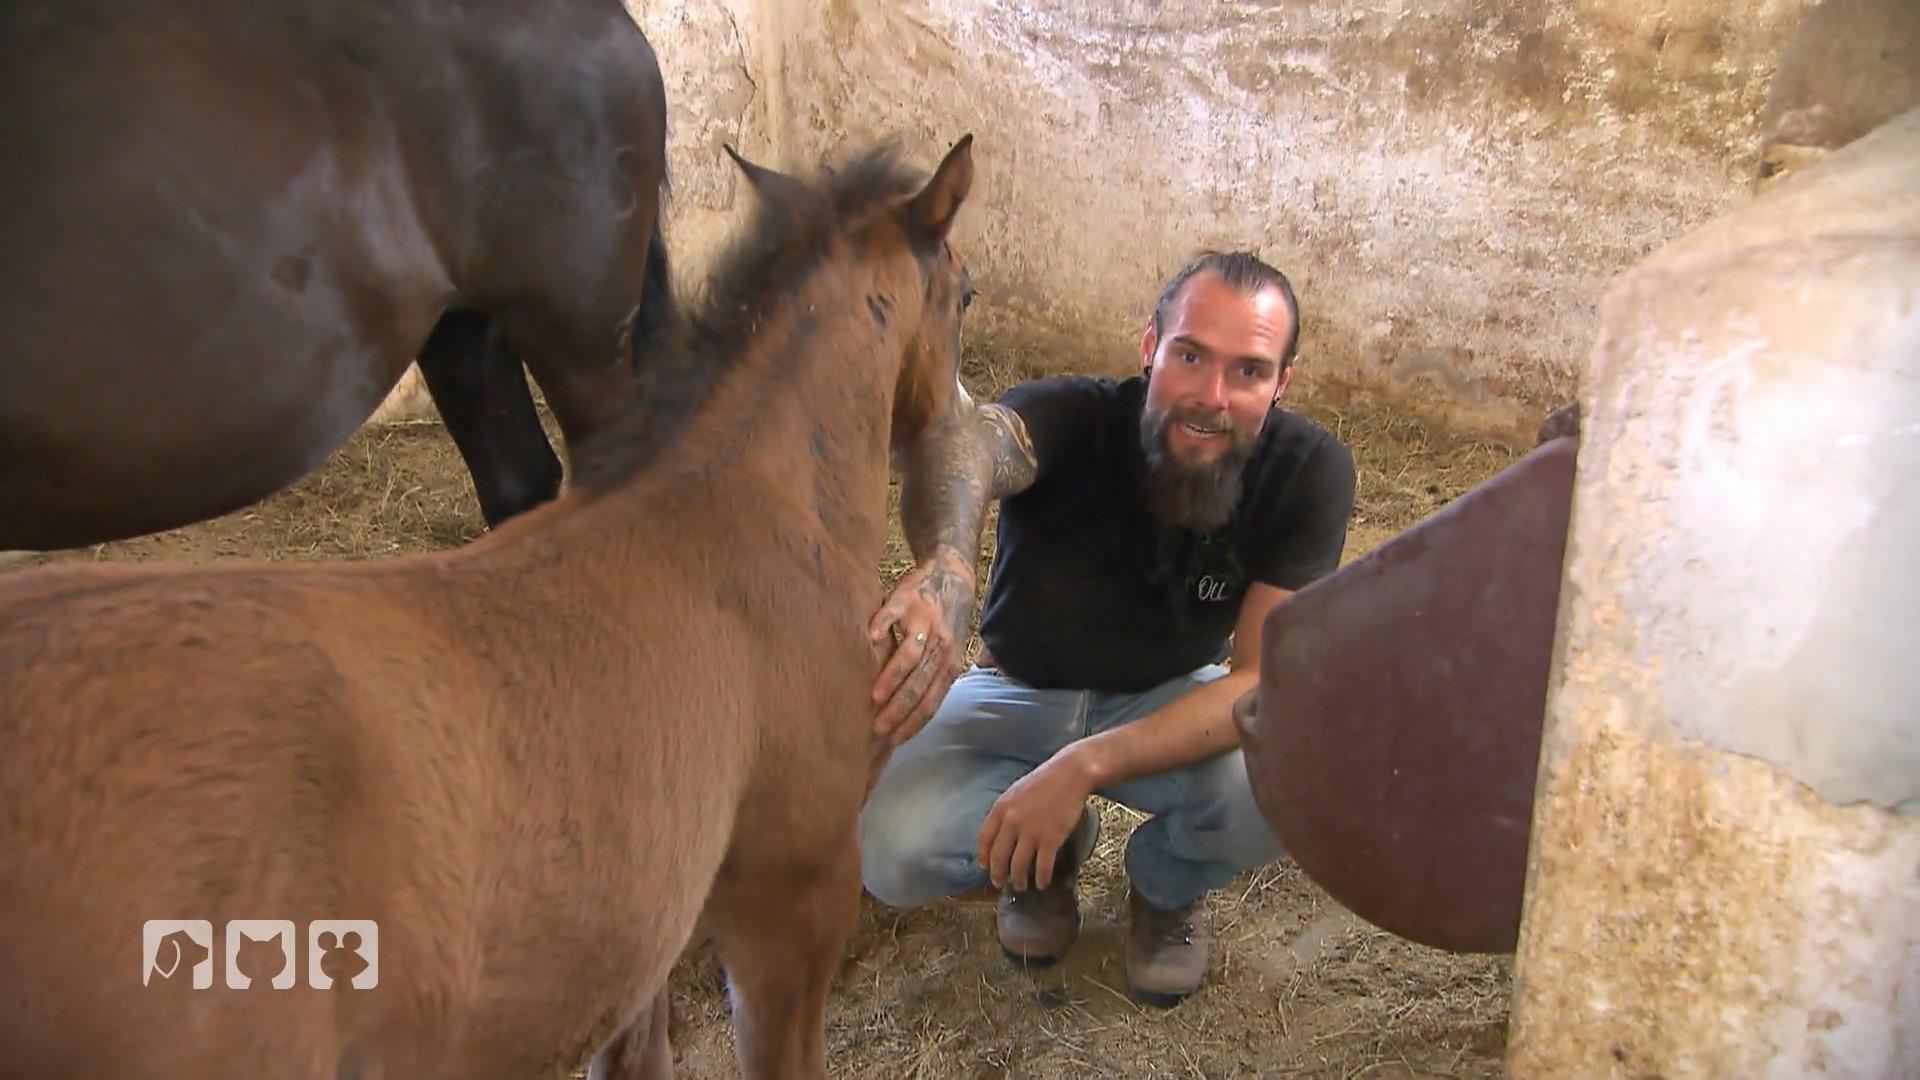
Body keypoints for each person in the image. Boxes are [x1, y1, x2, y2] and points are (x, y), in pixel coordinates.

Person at [859, 250, 1358, 1007]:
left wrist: (1081, 766)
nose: (1211, 396)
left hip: (1167, 700)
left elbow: (1255, 680)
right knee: (888, 849)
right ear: (1149, 344)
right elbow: (971, 445)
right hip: (1017, 690)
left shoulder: (1309, 470)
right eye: (1190, 355)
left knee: (1291, 775)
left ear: (1282, 382)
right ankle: (1042, 859)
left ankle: (1164, 887)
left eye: (1248, 371)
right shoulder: (1072, 414)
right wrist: (950, 565)